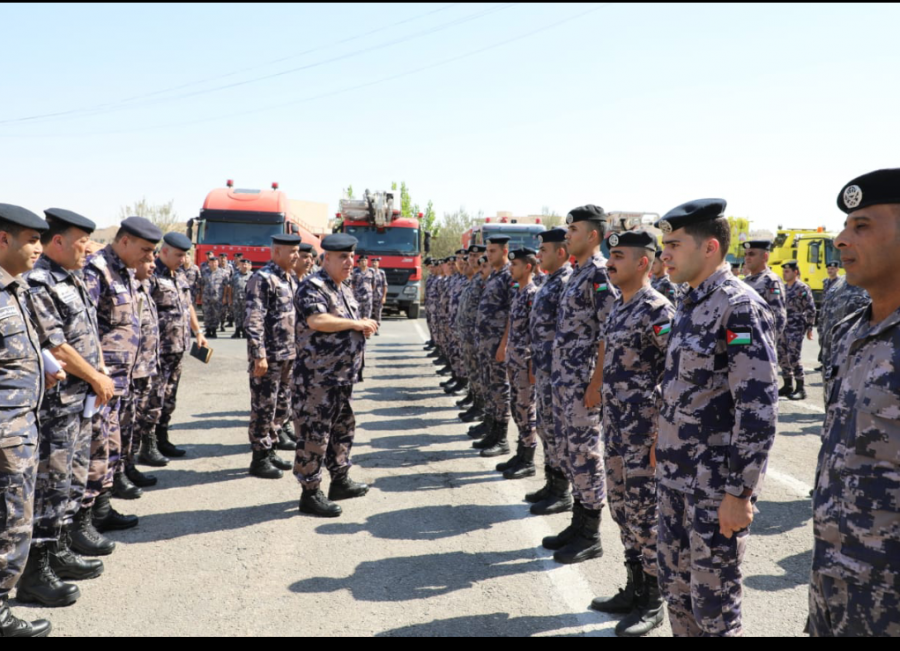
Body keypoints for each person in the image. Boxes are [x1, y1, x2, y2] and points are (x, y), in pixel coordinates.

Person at [655, 199, 778, 637]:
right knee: (677, 592)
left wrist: (740, 493)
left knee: (714, 608)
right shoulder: (688, 302)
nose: (663, 253)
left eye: (673, 244)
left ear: (709, 247)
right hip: (674, 479)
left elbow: (758, 408)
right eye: (663, 244)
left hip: (712, 490)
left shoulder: (739, 307)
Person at [808, 168, 900, 637]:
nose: (842, 240)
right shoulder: (854, 330)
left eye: (861, 226)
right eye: (845, 227)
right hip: (835, 585)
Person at [18, 209, 107, 608]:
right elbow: (59, 347)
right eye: (81, 241)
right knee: (49, 486)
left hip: (77, 399)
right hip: (57, 402)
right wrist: (96, 378)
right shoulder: (40, 283)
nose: (87, 249)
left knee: (69, 479)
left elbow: (85, 332)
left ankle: (57, 551)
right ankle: (36, 572)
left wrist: (97, 372)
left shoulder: (70, 278)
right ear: (59, 242)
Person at [591, 230, 674, 637]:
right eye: (609, 255)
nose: (610, 262)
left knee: (646, 515)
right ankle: (634, 586)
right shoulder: (620, 307)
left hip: (644, 433)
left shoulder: (657, 310)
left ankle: (653, 598)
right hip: (618, 429)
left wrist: (661, 434)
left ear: (643, 262)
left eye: (619, 256)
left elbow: (673, 374)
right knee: (623, 510)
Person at [542, 206, 619, 566]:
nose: (567, 235)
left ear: (592, 236)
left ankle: (590, 534)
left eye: (573, 230)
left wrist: (597, 382)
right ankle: (578, 521)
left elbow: (608, 331)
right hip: (565, 379)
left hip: (583, 382)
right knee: (572, 452)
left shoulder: (599, 274)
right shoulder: (576, 273)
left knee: (586, 455)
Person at [0, 204, 63, 637]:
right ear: (3, 240)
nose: (39, 248)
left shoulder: (14, 290)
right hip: (5, 435)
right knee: (8, 523)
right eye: (30, 239)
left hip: (21, 428)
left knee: (11, 521)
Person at [81, 217, 163, 540]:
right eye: (145, 250)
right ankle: (82, 523)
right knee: (94, 449)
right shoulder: (97, 270)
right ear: (125, 241)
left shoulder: (125, 272)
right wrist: (96, 373)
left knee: (110, 447)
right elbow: (83, 329)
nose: (148, 258)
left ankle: (101, 509)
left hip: (119, 381)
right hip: (97, 384)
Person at [293, 234, 377, 517]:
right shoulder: (312, 287)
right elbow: (317, 320)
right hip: (317, 378)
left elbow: (341, 325)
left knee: (342, 428)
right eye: (342, 257)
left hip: (341, 377)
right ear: (326, 258)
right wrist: (355, 323)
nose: (350, 262)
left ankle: (339, 480)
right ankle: (310, 492)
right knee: (314, 434)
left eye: (351, 257)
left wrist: (359, 328)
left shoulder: (343, 288)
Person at [144, 232, 207, 463]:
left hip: (178, 348)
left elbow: (188, 306)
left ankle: (162, 439)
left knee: (169, 397)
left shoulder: (180, 276)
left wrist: (198, 332)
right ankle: (147, 445)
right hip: (157, 351)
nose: (183, 259)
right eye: (179, 255)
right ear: (164, 252)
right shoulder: (151, 276)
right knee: (153, 398)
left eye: (185, 255)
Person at [244, 235, 301, 480]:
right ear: (277, 252)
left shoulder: (289, 278)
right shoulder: (262, 278)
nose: (296, 256)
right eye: (292, 252)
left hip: (289, 354)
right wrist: (259, 355)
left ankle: (272, 447)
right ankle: (259, 458)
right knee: (263, 407)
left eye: (298, 251)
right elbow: (254, 318)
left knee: (281, 405)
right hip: (270, 356)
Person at [527, 228, 574, 516]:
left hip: (561, 372)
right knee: (545, 427)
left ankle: (562, 491)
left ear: (560, 252)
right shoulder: (549, 280)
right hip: (546, 369)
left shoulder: (566, 281)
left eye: (543, 250)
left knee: (558, 433)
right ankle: (551, 483)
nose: (538, 255)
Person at [112, 258, 160, 500]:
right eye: (148, 259)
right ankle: (117, 475)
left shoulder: (143, 286)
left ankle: (128, 466)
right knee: (121, 424)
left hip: (143, 367)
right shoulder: (124, 287)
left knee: (133, 422)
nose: (153, 265)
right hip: (127, 370)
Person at [494, 248, 540, 480]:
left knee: (526, 409)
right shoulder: (519, 292)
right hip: (515, 359)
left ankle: (528, 459)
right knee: (517, 407)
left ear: (528, 267)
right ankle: (521, 453)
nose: (510, 268)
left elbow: (537, 332)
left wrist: (533, 365)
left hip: (525, 362)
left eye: (515, 265)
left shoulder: (533, 294)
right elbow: (512, 325)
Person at [472, 236, 515, 458]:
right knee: (490, 387)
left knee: (500, 389)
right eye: (488, 250)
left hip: (498, 344)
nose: (489, 254)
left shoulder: (509, 275)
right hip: (486, 344)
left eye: (493, 251)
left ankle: (502, 437)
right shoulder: (494, 275)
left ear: (505, 250)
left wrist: (504, 344)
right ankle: (492, 429)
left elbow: (512, 313)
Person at [779, 261, 816, 401]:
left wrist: (810, 328)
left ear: (795, 272)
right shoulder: (782, 288)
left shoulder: (802, 288)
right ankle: (787, 385)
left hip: (796, 326)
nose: (784, 273)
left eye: (787, 271)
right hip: (783, 327)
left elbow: (811, 309)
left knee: (793, 356)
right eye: (784, 271)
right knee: (782, 356)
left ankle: (800, 388)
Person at [742, 239, 787, 349]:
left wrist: (766, 344)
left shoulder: (771, 280)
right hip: (743, 343)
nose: (747, 258)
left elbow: (779, 317)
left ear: (765, 257)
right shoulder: (744, 281)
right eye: (746, 254)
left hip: (760, 347)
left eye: (752, 254)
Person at [201, 256, 228, 338]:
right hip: (206, 297)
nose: (213, 264)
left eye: (215, 262)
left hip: (217, 297)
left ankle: (214, 330)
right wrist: (202, 294)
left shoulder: (223, 272)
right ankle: (208, 330)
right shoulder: (205, 272)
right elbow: (202, 284)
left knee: (216, 314)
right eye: (211, 262)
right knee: (207, 314)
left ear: (218, 263)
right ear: (209, 263)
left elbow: (226, 286)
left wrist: (224, 297)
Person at [227, 258, 253, 339]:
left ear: (249, 266)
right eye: (242, 264)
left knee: (247, 316)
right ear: (240, 266)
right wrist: (230, 299)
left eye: (246, 264)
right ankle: (237, 331)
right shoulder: (235, 275)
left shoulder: (252, 275)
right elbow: (230, 288)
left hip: (247, 300)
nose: (244, 266)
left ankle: (245, 331)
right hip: (236, 299)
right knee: (237, 315)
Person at [352, 255, 375, 320]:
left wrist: (369, 291)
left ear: (367, 261)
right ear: (359, 262)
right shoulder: (355, 271)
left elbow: (373, 284)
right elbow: (353, 284)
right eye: (362, 260)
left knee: (367, 315)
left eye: (365, 260)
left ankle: (366, 329)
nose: (363, 262)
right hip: (358, 297)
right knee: (358, 315)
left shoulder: (371, 271)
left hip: (368, 297)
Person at [371, 257, 388, 331]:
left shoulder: (381, 273)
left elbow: (384, 285)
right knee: (368, 314)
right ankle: (368, 329)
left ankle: (376, 329)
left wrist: (384, 296)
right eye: (373, 262)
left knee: (378, 314)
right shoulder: (369, 272)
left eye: (376, 262)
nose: (374, 264)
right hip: (369, 297)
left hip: (378, 296)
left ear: (378, 264)